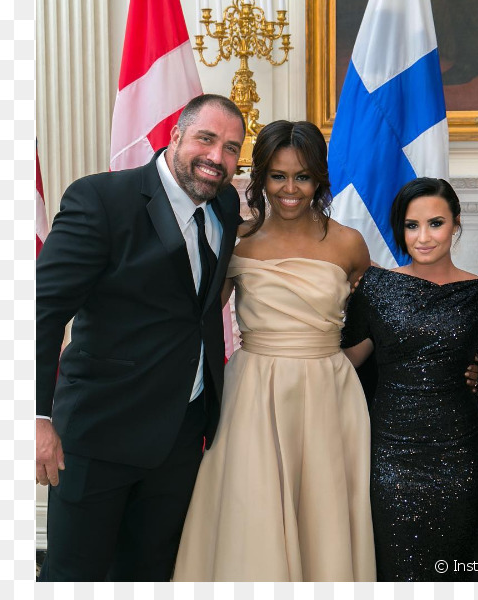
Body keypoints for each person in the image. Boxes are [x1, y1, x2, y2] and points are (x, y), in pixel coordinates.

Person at [35, 94, 246, 581]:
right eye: (206, 139)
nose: (218, 157)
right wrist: (36, 416)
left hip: (180, 436)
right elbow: (42, 311)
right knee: (75, 574)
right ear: (175, 136)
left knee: (149, 574)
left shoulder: (227, 204)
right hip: (98, 435)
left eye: (232, 148)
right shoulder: (102, 200)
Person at [172, 120, 376, 582]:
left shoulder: (348, 243)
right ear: (259, 178)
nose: (289, 189)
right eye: (277, 175)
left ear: (319, 179)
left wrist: (345, 360)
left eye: (301, 176)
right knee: (253, 505)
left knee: (322, 513)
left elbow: (380, 320)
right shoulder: (236, 240)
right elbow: (195, 319)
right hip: (253, 393)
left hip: (328, 393)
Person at [341, 177, 478, 581]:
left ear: (456, 224)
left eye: (435, 223)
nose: (423, 237)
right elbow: (345, 361)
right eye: (412, 225)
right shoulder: (377, 287)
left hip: (460, 457)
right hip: (390, 457)